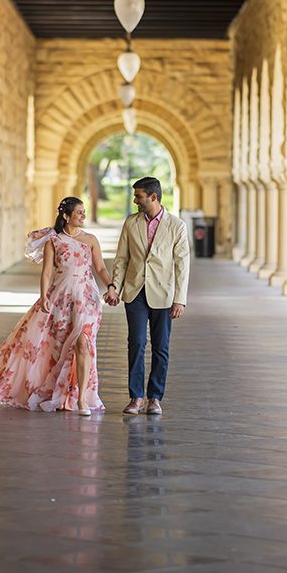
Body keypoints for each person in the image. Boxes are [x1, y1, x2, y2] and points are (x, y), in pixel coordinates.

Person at [0, 197, 112, 416]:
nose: (83, 216)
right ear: (66, 216)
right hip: (60, 299)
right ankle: (55, 392)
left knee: (83, 344)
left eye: (84, 212)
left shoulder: (91, 240)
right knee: (56, 347)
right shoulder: (53, 241)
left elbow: (100, 267)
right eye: (79, 213)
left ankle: (82, 399)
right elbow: (46, 272)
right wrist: (44, 296)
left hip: (86, 299)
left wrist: (110, 286)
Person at [105, 177, 190, 416]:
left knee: (161, 347)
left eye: (139, 196)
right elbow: (122, 259)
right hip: (135, 293)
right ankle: (136, 397)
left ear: (153, 197)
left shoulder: (177, 226)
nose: (135, 200)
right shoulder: (131, 223)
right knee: (137, 343)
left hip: (164, 294)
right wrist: (115, 287)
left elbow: (182, 265)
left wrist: (180, 299)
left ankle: (155, 398)